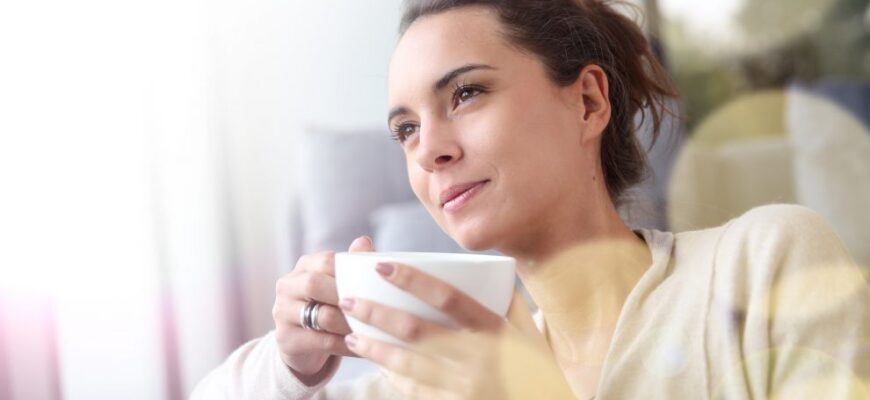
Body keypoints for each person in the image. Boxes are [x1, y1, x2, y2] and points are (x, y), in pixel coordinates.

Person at [191, 0, 870, 398]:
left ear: (588, 101)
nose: (428, 150)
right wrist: (289, 365)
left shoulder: (763, 261)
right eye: (405, 130)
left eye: (466, 93)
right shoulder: (442, 367)